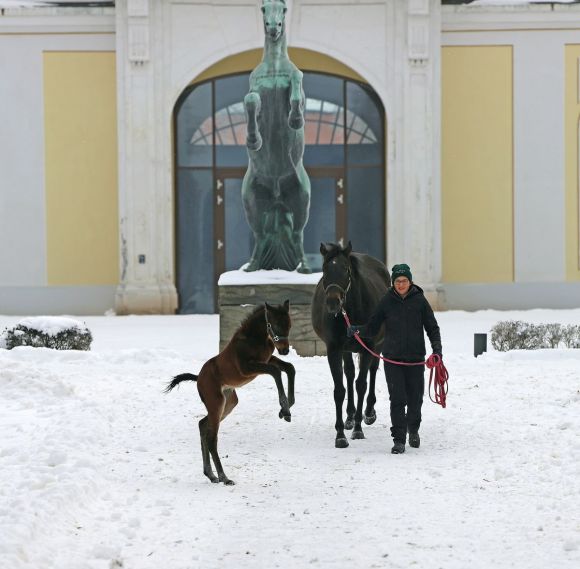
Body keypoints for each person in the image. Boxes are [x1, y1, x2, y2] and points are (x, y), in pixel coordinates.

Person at [347, 263, 442, 455]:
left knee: (415, 400)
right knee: (397, 400)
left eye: (404, 281)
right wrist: (357, 329)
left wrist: (437, 352)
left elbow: (432, 328)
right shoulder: (386, 301)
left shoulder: (420, 301)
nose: (401, 284)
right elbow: (373, 328)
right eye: (397, 281)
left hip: (416, 359)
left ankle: (413, 429)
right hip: (393, 360)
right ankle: (399, 439)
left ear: (410, 281)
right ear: (393, 283)